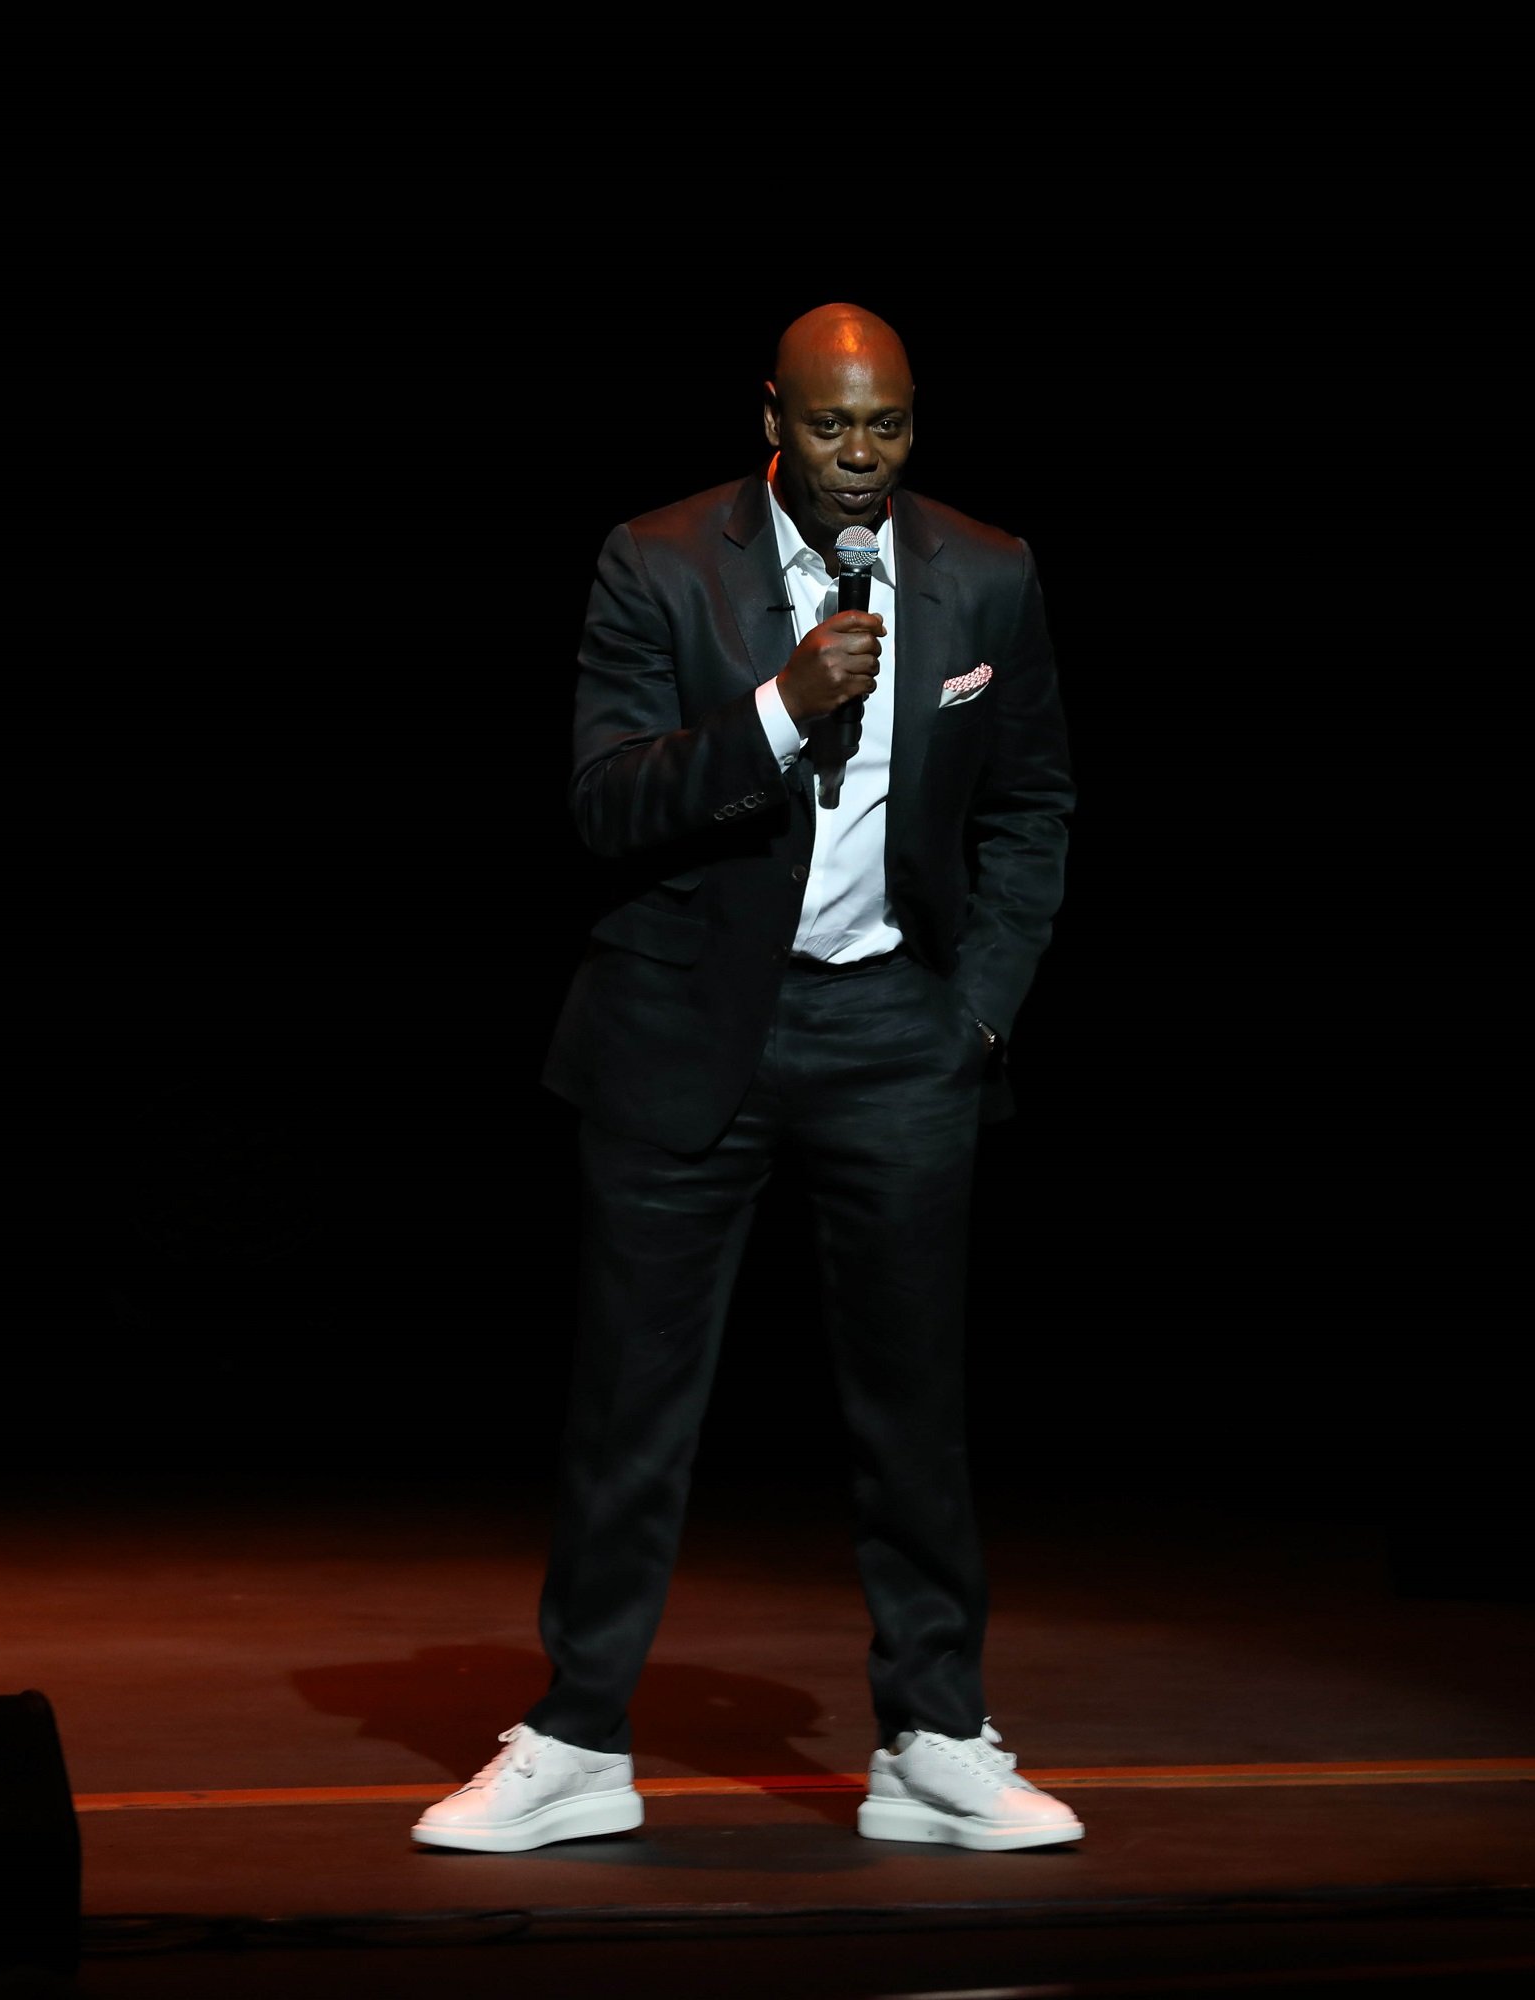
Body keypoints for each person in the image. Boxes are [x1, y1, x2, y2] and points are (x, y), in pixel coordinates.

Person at [411, 304, 1079, 1854]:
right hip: (685, 1034)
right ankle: (579, 1742)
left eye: (892, 427)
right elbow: (603, 800)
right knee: (631, 1409)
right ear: (769, 418)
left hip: (896, 1037)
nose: (864, 459)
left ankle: (934, 1739)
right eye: (835, 427)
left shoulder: (988, 570)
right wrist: (783, 707)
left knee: (915, 1413)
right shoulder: (655, 560)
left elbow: (1034, 804)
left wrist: (973, 1013)